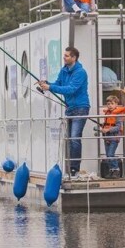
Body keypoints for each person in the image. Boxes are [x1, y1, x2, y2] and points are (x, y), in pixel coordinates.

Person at [39, 47, 90, 178]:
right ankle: (70, 167)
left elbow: (71, 89)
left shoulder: (80, 72)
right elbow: (58, 84)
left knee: (74, 138)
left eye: (67, 56)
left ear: (74, 58)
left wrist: (50, 87)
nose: (64, 58)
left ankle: (74, 169)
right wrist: (46, 84)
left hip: (81, 107)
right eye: (64, 55)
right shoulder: (64, 70)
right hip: (70, 108)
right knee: (69, 139)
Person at [101, 95, 125, 179]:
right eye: (108, 104)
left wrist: (108, 130)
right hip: (107, 137)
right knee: (108, 155)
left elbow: (118, 127)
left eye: (112, 103)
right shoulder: (107, 113)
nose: (110, 105)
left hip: (114, 138)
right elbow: (106, 124)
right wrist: (103, 129)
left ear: (116, 104)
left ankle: (116, 170)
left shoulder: (117, 115)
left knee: (111, 154)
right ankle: (111, 171)